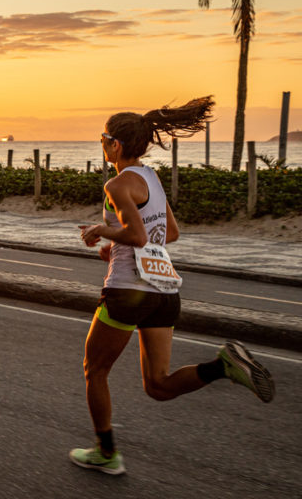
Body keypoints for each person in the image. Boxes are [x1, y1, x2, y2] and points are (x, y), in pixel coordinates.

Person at [71, 97, 274, 475]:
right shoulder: (152, 180)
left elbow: (136, 232)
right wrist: (113, 248)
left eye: (103, 137)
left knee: (94, 370)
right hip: (163, 293)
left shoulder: (117, 184)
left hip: (128, 292)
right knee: (158, 385)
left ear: (115, 145)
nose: (101, 144)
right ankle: (221, 366)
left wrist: (102, 231)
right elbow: (171, 233)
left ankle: (106, 452)